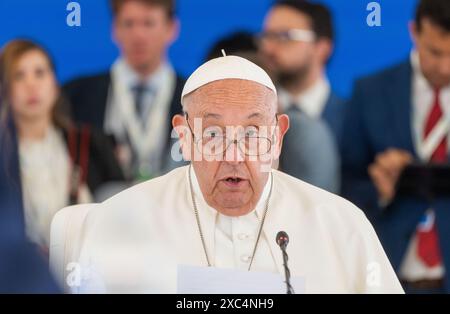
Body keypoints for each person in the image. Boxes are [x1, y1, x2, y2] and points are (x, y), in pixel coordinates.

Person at [66, 55, 403, 293]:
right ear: (184, 138)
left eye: (253, 133)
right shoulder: (119, 219)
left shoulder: (340, 224)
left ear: (278, 137)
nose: (233, 155)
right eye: (212, 134)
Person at [341, 0, 450, 293]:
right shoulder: (370, 91)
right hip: (389, 267)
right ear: (414, 32)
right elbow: (344, 182)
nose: (445, 67)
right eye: (435, 52)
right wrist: (380, 189)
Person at [0, 39, 124, 252]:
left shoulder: (92, 143)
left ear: (55, 85)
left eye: (39, 73)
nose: (31, 85)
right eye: (19, 76)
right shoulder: (4, 155)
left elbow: (124, 214)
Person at [63, 0, 185, 181]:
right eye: (128, 23)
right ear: (114, 29)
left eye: (148, 23)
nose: (138, 35)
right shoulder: (76, 95)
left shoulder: (195, 95)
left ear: (171, 29)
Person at [259, 0, 346, 145]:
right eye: (267, 36)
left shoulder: (354, 118)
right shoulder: (252, 114)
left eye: (285, 36)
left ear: (322, 48)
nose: (268, 49)